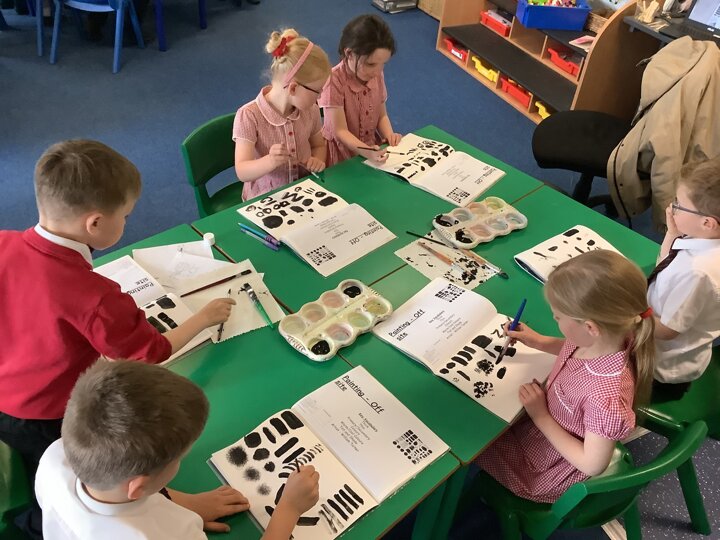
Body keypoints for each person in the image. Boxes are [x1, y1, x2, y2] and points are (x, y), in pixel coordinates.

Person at [0, 140, 235, 538]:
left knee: (46, 476)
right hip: (50, 415)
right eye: (125, 215)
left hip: (7, 399)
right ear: (94, 224)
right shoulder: (95, 296)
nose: (126, 222)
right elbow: (151, 352)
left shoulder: (4, 241)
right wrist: (203, 318)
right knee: (87, 488)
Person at [36, 359, 321, 539]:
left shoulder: (56, 458)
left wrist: (186, 504)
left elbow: (138, 494)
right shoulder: (170, 535)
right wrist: (289, 509)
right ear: (139, 486)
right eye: (178, 459)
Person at [476, 251, 655, 503]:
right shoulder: (610, 336)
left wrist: (541, 416)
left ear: (590, 327)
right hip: (546, 423)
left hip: (550, 464)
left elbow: (592, 464)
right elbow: (573, 347)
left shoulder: (605, 400)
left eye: (558, 316)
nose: (554, 319)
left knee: (477, 443)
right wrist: (538, 341)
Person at [648, 157, 720, 400]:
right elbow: (666, 261)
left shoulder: (698, 272)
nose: (671, 208)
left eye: (679, 204)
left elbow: (668, 330)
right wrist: (673, 233)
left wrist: (624, 318)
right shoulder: (703, 239)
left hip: (661, 368)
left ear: (708, 223)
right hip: (658, 330)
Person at [233, 29, 331, 201]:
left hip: (303, 194)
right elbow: (242, 171)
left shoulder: (311, 110)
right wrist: (270, 161)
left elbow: (319, 145)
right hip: (266, 200)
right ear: (293, 88)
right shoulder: (248, 116)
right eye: (317, 91)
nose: (320, 96)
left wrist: (317, 160)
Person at [319, 14, 402, 167]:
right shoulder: (334, 80)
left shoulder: (376, 74)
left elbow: (382, 115)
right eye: (371, 64)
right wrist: (367, 151)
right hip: (342, 156)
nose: (377, 71)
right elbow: (340, 131)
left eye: (383, 64)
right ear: (349, 54)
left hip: (370, 149)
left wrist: (389, 135)